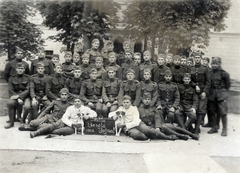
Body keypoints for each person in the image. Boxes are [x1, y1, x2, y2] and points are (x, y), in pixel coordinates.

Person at [109, 95, 177, 141]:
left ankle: (168, 137)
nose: (126, 104)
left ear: (130, 103)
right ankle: (150, 137)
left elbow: (136, 122)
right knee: (138, 136)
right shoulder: (121, 108)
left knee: (149, 131)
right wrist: (116, 114)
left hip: (138, 124)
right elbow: (110, 115)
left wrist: (124, 124)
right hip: (129, 128)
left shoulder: (134, 108)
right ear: (122, 103)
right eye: (124, 102)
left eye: (127, 102)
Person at [29, 97, 97, 138]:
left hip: (73, 127)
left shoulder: (85, 109)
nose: (77, 103)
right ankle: (35, 133)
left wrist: (88, 116)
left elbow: (95, 114)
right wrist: (71, 123)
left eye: (78, 101)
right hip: (65, 122)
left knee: (59, 131)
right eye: (75, 101)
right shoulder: (70, 108)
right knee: (54, 125)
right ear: (73, 103)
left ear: (81, 102)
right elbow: (64, 118)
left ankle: (42, 128)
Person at [207, 57, 230, 136]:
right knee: (212, 111)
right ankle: (214, 127)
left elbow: (227, 85)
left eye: (216, 64)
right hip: (212, 93)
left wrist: (224, 93)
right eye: (213, 64)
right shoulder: (210, 72)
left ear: (219, 64)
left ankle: (224, 129)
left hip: (221, 94)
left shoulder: (224, 73)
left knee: (223, 112)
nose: (214, 65)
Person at [190, 52, 210, 134]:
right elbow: (189, 80)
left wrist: (204, 91)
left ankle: (197, 128)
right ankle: (191, 126)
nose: (197, 59)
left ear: (201, 59)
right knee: (194, 109)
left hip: (202, 92)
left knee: (201, 110)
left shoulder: (205, 69)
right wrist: (195, 85)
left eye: (198, 58)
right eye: (196, 58)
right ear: (194, 59)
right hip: (194, 92)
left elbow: (208, 82)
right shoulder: (191, 68)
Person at [5, 63, 30, 129]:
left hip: (25, 96)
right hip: (15, 96)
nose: (20, 70)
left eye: (22, 68)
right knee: (10, 103)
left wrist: (20, 97)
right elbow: (10, 90)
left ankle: (23, 120)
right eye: (19, 68)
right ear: (16, 69)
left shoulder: (28, 78)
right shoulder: (11, 78)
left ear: (24, 69)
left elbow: (28, 90)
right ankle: (11, 122)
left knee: (27, 107)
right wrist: (18, 97)